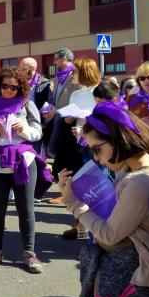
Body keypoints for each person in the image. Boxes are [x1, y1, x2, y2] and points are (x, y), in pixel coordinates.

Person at [59, 101, 149, 297]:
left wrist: (73, 202)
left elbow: (109, 234)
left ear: (119, 139)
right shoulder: (132, 167)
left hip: (130, 275)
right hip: (126, 268)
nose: (97, 159)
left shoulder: (139, 181)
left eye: (97, 150)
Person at [0, 68, 52, 273]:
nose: (9, 90)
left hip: (23, 161)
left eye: (14, 87)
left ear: (21, 87)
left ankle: (29, 253)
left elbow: (38, 132)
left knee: (26, 209)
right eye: (5, 86)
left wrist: (24, 129)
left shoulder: (27, 104)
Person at [58, 58, 101, 239]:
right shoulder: (75, 94)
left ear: (85, 72)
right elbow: (72, 118)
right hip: (77, 144)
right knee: (79, 184)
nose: (71, 74)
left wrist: (85, 127)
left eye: (74, 71)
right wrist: (64, 115)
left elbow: (105, 117)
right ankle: (80, 224)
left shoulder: (99, 91)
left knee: (97, 186)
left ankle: (96, 229)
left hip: (97, 145)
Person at [44, 48, 80, 181]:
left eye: (55, 59)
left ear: (64, 58)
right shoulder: (58, 77)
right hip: (59, 120)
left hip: (71, 121)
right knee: (59, 155)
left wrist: (57, 111)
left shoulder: (75, 75)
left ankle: (67, 190)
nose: (53, 62)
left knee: (67, 157)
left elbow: (77, 102)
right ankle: (64, 188)